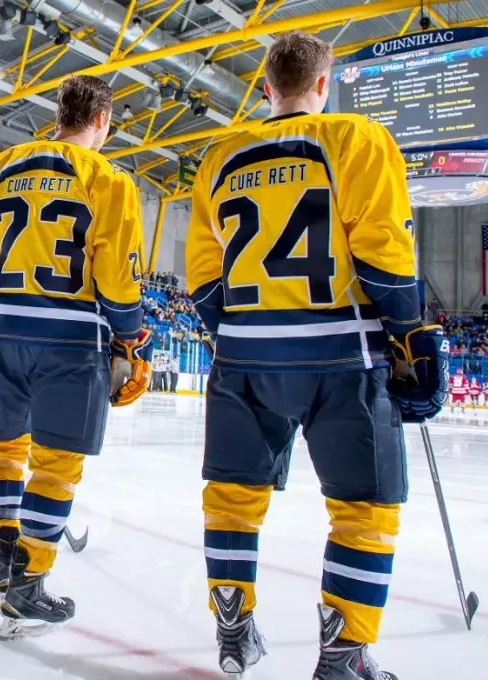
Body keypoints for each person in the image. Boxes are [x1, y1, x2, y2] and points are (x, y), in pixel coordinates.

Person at [184, 31, 447, 678]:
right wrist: (408, 333)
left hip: (246, 358)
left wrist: (243, 333)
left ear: (266, 86)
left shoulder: (220, 158)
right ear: (324, 85)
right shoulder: (357, 139)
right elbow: (383, 250)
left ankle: (233, 632)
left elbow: (202, 277)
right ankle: (344, 655)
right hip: (342, 356)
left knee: (232, 497)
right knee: (365, 503)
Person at [0, 74, 153, 638]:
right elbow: (117, 279)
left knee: (2, 449)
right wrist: (130, 337)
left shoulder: (0, 168)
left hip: (1, 334)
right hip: (69, 340)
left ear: (58, 113)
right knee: (56, 462)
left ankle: (0, 559)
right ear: (102, 121)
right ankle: (29, 584)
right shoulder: (107, 178)